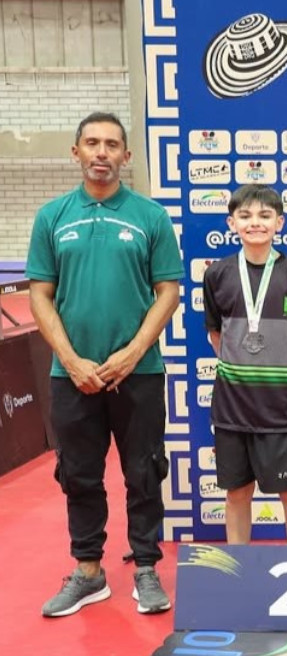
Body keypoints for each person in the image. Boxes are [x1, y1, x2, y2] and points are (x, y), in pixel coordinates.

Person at [27, 111, 182, 616]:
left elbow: (168, 291)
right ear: (76, 152)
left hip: (139, 374)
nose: (101, 152)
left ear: (126, 156)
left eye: (112, 144)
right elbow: (40, 295)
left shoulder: (150, 217)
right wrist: (71, 360)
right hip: (72, 377)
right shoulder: (52, 217)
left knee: (144, 471)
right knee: (78, 474)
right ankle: (89, 571)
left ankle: (145, 568)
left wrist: (132, 353)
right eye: (92, 143)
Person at [204, 185, 287, 545]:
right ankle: (238, 568)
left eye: (265, 216)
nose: (255, 223)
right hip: (232, 408)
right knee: (237, 494)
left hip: (280, 408)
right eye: (245, 216)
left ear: (279, 222)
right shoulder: (217, 274)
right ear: (231, 223)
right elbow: (216, 335)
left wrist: (271, 363)